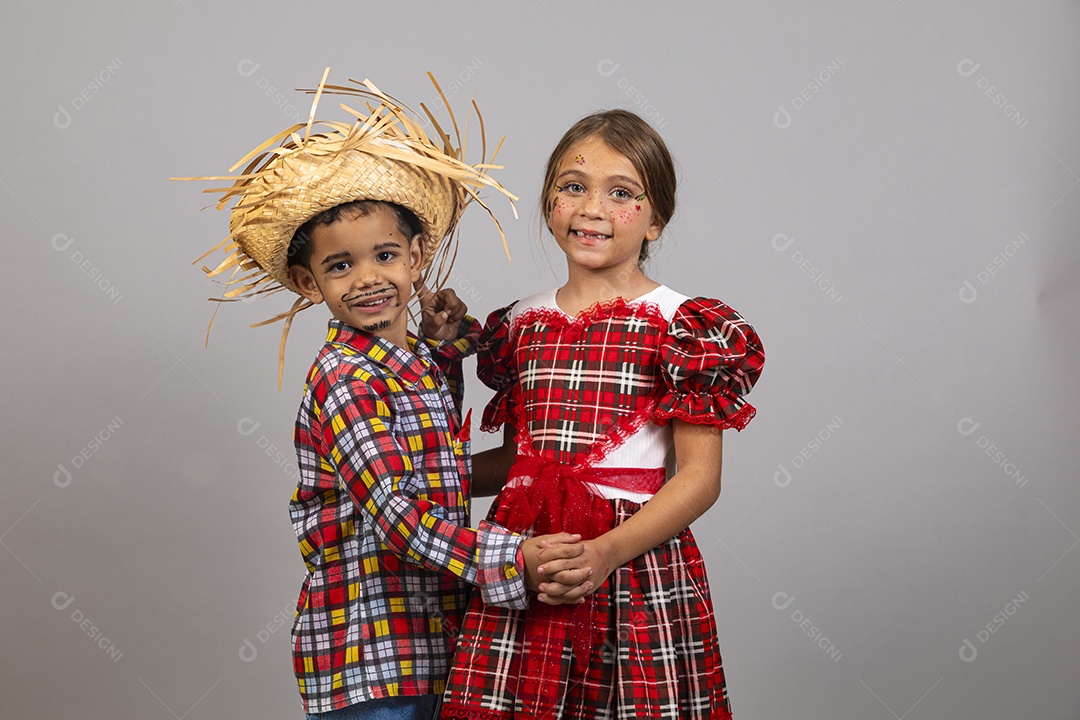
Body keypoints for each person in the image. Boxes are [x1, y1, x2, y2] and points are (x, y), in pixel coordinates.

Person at [179, 72, 583, 720]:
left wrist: (446, 350)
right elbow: (397, 514)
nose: (367, 278)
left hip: (436, 645)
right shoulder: (344, 379)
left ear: (417, 258)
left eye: (385, 255)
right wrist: (517, 559)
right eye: (340, 266)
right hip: (369, 656)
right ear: (309, 284)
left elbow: (432, 461)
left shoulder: (410, 365)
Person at [439, 109, 765, 720]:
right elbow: (519, 461)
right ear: (547, 203)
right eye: (573, 186)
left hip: (631, 562)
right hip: (533, 556)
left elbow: (699, 478)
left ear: (656, 220)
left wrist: (608, 553)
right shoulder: (519, 325)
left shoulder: (683, 326)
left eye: (622, 194)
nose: (592, 209)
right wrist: (427, 485)